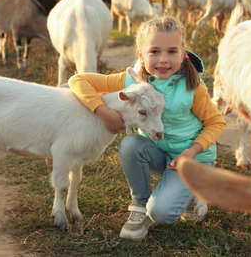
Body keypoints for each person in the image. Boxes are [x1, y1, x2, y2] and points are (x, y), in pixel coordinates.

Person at [68, 16, 226, 241]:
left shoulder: (192, 87)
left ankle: (190, 192)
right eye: (154, 52)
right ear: (141, 55)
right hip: (160, 154)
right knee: (130, 144)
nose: (163, 60)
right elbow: (79, 80)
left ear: (183, 54)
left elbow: (216, 122)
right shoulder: (132, 81)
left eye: (172, 52)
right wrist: (104, 113)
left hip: (193, 159)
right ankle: (139, 205)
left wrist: (191, 153)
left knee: (161, 212)